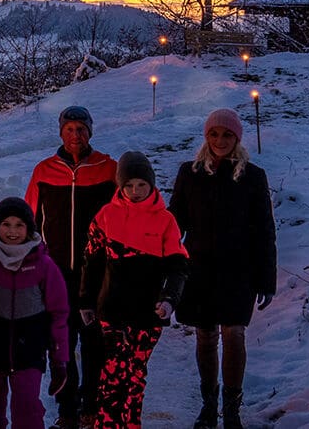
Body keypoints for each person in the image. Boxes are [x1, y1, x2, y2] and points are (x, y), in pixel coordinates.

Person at [171, 109, 277, 429]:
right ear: (206, 137)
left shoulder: (253, 176)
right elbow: (174, 223)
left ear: (237, 138)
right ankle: (208, 404)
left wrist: (266, 279)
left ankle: (231, 408)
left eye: (227, 135)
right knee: (205, 337)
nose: (220, 140)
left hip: (238, 270)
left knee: (233, 335)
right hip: (199, 270)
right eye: (214, 134)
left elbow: (264, 231)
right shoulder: (189, 173)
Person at [79, 152, 187, 428]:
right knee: (113, 373)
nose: (135, 191)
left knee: (135, 374)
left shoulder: (165, 221)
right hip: (112, 309)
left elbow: (178, 267)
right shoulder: (105, 216)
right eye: (129, 185)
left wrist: (169, 299)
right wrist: (86, 301)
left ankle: (131, 424)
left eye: (141, 185)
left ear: (151, 185)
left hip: (148, 312)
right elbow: (91, 262)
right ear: (120, 186)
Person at [25, 105, 117, 427]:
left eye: (81, 129)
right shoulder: (44, 171)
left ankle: (91, 404)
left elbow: (125, 216)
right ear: (60, 133)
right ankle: (67, 409)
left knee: (94, 342)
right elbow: (29, 223)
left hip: (97, 273)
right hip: (58, 273)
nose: (75, 135)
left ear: (90, 131)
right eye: (69, 129)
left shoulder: (109, 169)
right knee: (61, 342)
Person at [0, 197, 72, 429]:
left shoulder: (44, 267)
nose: (13, 231)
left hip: (29, 353)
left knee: (28, 413)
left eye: (19, 225)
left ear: (29, 228)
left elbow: (58, 316)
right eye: (6, 224)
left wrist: (60, 361)